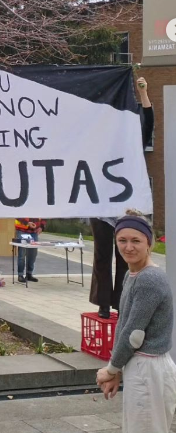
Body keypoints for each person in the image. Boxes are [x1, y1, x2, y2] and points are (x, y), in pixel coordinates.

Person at [96, 210, 176, 433]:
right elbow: (124, 322)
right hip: (141, 367)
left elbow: (133, 334)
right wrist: (118, 369)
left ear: (148, 243)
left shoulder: (149, 279)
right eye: (122, 240)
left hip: (148, 369)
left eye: (136, 241)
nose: (128, 247)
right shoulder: (134, 274)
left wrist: (111, 370)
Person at [90, 76, 154, 319]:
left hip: (127, 211)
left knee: (125, 258)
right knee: (102, 258)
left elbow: (147, 123)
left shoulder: (135, 144)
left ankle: (121, 303)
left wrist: (143, 94)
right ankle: (104, 304)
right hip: (102, 210)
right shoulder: (100, 144)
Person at [14, 218, 45, 283]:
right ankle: (20, 275)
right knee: (22, 254)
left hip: (34, 231)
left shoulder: (40, 207)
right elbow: (17, 213)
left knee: (33, 254)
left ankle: (29, 274)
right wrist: (27, 223)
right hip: (22, 230)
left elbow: (44, 215)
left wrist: (42, 227)